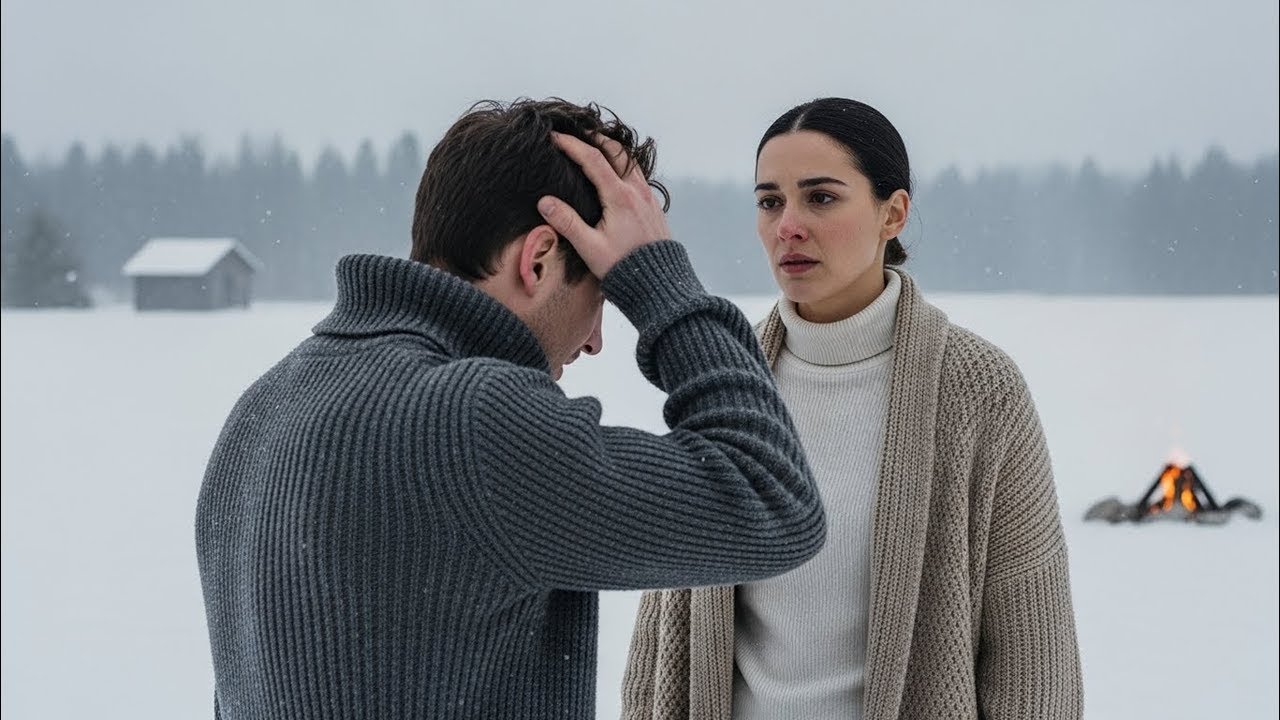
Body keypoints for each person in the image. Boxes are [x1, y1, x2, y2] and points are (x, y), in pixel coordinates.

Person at [194, 98, 826, 719]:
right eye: (602, 293)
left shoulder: (264, 408)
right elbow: (772, 499)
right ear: (540, 259)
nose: (595, 340)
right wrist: (659, 281)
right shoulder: (473, 422)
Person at [623, 97, 1083, 720]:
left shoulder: (981, 390)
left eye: (821, 197)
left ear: (893, 213)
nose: (788, 226)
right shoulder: (727, 383)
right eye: (770, 202)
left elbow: (1035, 664)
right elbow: (660, 642)